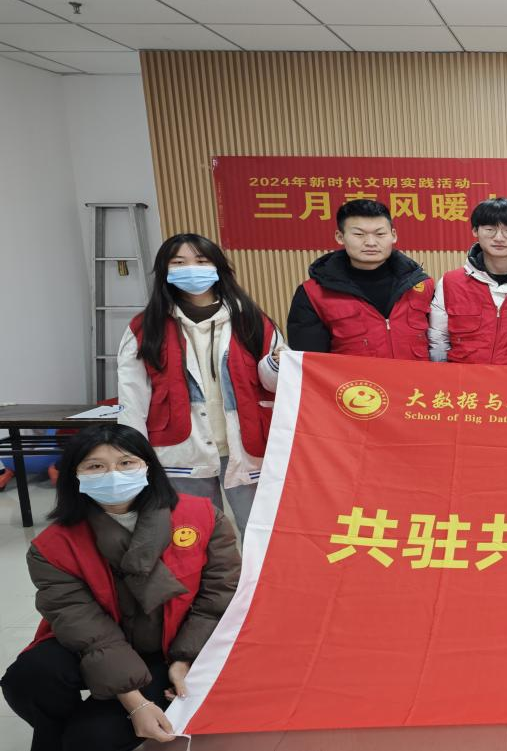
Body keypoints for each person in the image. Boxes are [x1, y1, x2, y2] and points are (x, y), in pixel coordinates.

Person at [1, 424, 241, 751]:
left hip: (172, 648)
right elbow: (84, 626)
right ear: (74, 475)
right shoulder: (52, 546)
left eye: (126, 462)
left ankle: (82, 732)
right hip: (97, 644)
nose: (113, 475)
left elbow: (219, 596)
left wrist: (185, 659)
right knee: (28, 678)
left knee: (92, 738)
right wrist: (135, 702)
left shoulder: (202, 517)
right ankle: (56, 734)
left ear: (147, 466)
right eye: (95, 466)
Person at [117, 233, 284, 537]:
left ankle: (258, 573)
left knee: (261, 531)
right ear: (165, 271)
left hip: (247, 443)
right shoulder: (145, 326)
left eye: (201, 261)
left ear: (218, 267)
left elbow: (273, 385)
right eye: (179, 263)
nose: (191, 269)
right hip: (179, 449)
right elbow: (132, 397)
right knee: (194, 533)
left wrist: (276, 363)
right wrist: (132, 453)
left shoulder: (251, 319)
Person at [286, 199, 433, 359]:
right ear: (340, 237)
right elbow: (310, 362)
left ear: (393, 235)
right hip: (352, 377)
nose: (371, 243)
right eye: (359, 234)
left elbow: (440, 345)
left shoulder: (421, 285)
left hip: (415, 376)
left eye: (380, 234)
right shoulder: (313, 294)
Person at [428, 198, 507, 364]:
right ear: (475, 231)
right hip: (463, 377)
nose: (499, 238)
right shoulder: (451, 282)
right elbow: (438, 338)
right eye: (490, 229)